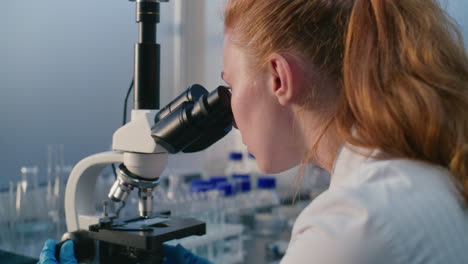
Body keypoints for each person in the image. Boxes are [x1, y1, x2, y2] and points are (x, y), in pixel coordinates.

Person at [40, 0, 468, 263]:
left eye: (229, 85)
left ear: (279, 78)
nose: (231, 111)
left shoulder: (351, 227)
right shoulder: (424, 171)